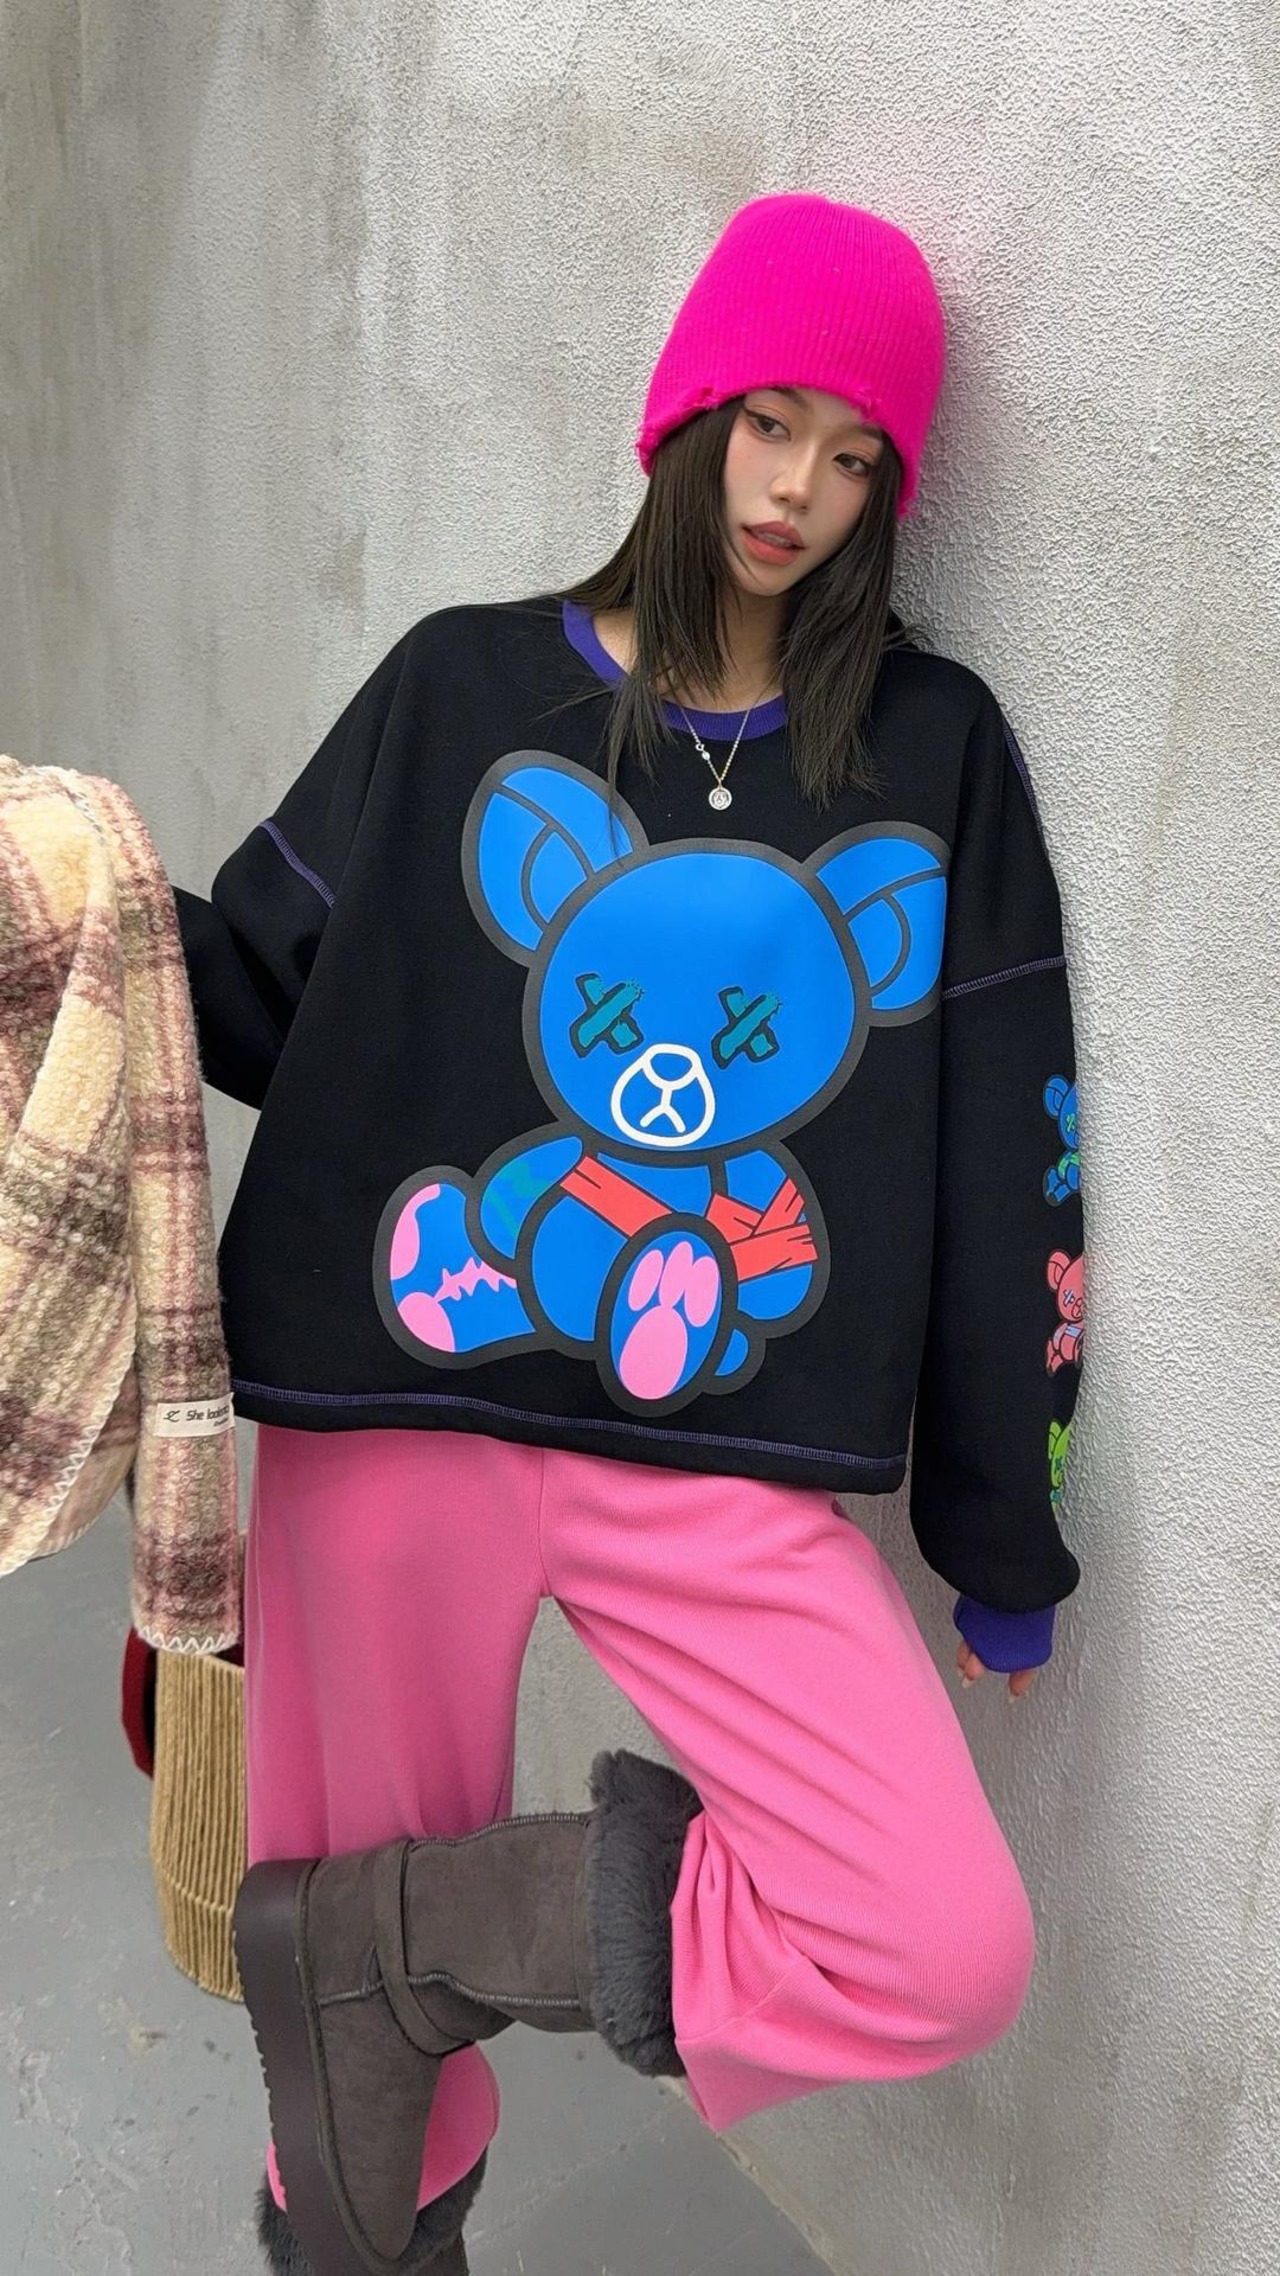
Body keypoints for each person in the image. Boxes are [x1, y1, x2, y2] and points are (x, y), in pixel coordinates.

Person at [173, 191, 1086, 2276]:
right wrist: (78, 915)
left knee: (937, 1936)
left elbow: (1005, 1154)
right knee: (351, 2092)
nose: (797, 491)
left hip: (724, 1447)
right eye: (769, 424)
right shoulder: (460, 687)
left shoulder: (930, 756)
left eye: (854, 456)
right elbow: (261, 989)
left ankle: (406, 1939)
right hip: (395, 1406)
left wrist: (1002, 1535)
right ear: (687, 416)